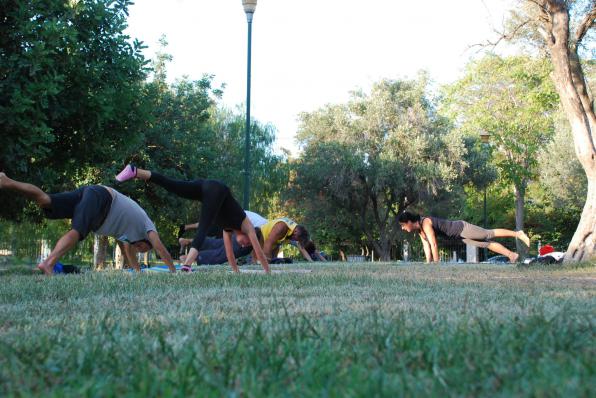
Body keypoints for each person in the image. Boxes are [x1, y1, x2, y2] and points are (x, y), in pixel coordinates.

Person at [0, 172, 176, 275]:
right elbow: (161, 249)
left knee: (46, 200)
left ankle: (7, 181)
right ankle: (49, 262)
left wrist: (138, 273)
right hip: (102, 199)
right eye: (142, 248)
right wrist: (173, 272)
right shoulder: (148, 226)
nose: (138, 249)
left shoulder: (129, 239)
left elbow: (129, 253)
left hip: (91, 195)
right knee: (78, 231)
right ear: (146, 240)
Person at [116, 165, 270, 273]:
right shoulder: (248, 225)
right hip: (217, 189)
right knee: (203, 227)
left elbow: (230, 255)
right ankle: (187, 265)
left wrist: (236, 272)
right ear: (250, 236)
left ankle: (135, 171)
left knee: (173, 186)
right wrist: (268, 272)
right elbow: (260, 253)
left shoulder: (228, 230)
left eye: (245, 246)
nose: (244, 245)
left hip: (205, 187)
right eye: (248, 242)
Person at [397, 211, 530, 263]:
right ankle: (512, 255)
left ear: (409, 222)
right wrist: (428, 263)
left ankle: (518, 234)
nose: (403, 228)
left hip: (461, 228)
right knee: (486, 244)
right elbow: (426, 246)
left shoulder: (426, 223)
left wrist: (435, 264)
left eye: (403, 225)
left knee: (488, 233)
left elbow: (434, 245)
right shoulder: (420, 230)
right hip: (459, 237)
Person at [178, 229, 262, 265]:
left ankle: (187, 241)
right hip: (239, 234)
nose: (245, 244)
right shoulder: (258, 233)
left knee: (215, 243)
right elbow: (263, 250)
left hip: (236, 233)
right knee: (219, 255)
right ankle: (189, 257)